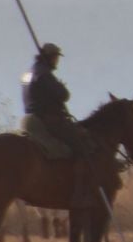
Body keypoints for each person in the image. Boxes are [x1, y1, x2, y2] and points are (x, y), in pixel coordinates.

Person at [21, 43, 100, 211]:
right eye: (56, 57)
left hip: (29, 119)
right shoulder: (44, 74)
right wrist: (61, 87)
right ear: (49, 57)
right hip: (49, 120)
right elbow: (63, 95)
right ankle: (80, 194)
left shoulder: (27, 74)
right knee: (83, 146)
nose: (57, 61)